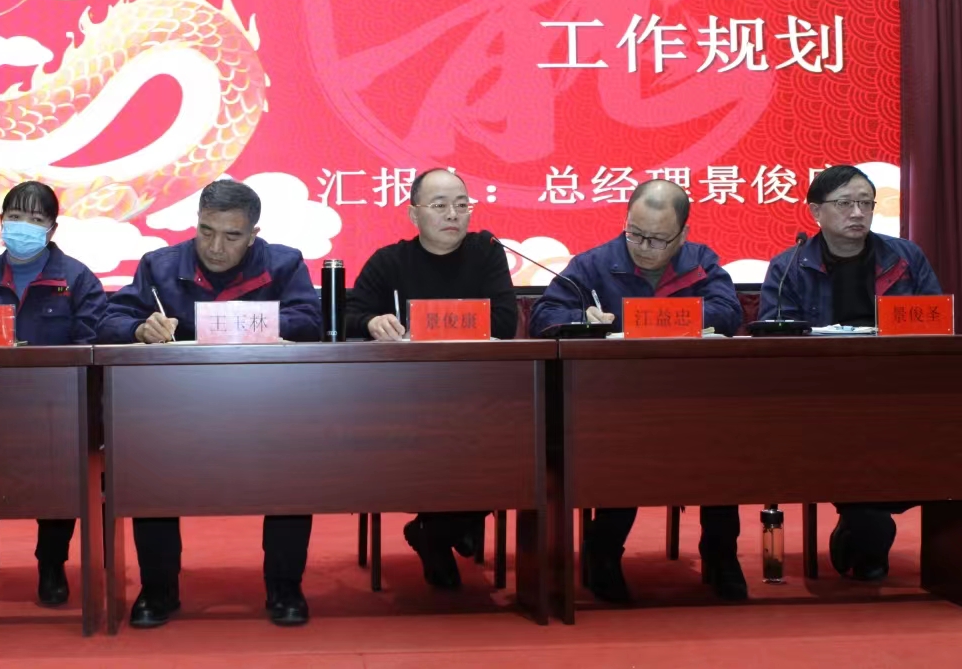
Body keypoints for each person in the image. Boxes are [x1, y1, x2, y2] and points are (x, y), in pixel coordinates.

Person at [101, 179, 323, 628]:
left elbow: (309, 320)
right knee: (149, 469)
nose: (216, 247)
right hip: (176, 409)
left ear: (254, 234)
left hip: (267, 407)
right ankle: (158, 589)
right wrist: (138, 329)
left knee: (294, 471)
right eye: (206, 231)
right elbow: (111, 319)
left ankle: (285, 587)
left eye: (232, 235)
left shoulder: (284, 263)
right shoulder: (159, 265)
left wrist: (243, 323)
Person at [531, 179, 746, 602]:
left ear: (682, 234)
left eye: (658, 239)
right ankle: (603, 552)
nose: (644, 247)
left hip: (691, 402)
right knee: (626, 444)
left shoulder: (701, 262)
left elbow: (727, 312)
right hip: (615, 403)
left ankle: (721, 553)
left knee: (724, 445)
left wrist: (665, 317)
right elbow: (544, 316)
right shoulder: (593, 264)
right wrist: (582, 319)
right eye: (635, 234)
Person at [760, 164, 942, 581]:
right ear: (815, 211)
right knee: (852, 445)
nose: (858, 213)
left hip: (898, 393)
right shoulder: (789, 266)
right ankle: (868, 529)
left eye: (865, 203)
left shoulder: (906, 258)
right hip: (821, 398)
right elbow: (773, 337)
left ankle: (864, 524)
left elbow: (935, 323)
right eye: (845, 204)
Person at [0, 181, 111, 613]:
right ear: (1, 222)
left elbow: (91, 346)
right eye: (15, 217)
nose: (23, 226)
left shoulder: (78, 279)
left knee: (63, 467)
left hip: (54, 409)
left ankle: (51, 565)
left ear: (52, 229)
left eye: (35, 219)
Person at [344, 168, 517, 589]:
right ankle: (450, 524)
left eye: (461, 205)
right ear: (413, 214)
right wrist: (371, 322)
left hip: (477, 395)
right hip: (406, 400)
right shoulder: (389, 261)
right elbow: (346, 316)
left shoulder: (486, 252)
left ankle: (436, 530)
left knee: (512, 438)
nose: (453, 214)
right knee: (445, 435)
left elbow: (504, 321)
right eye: (439, 205)